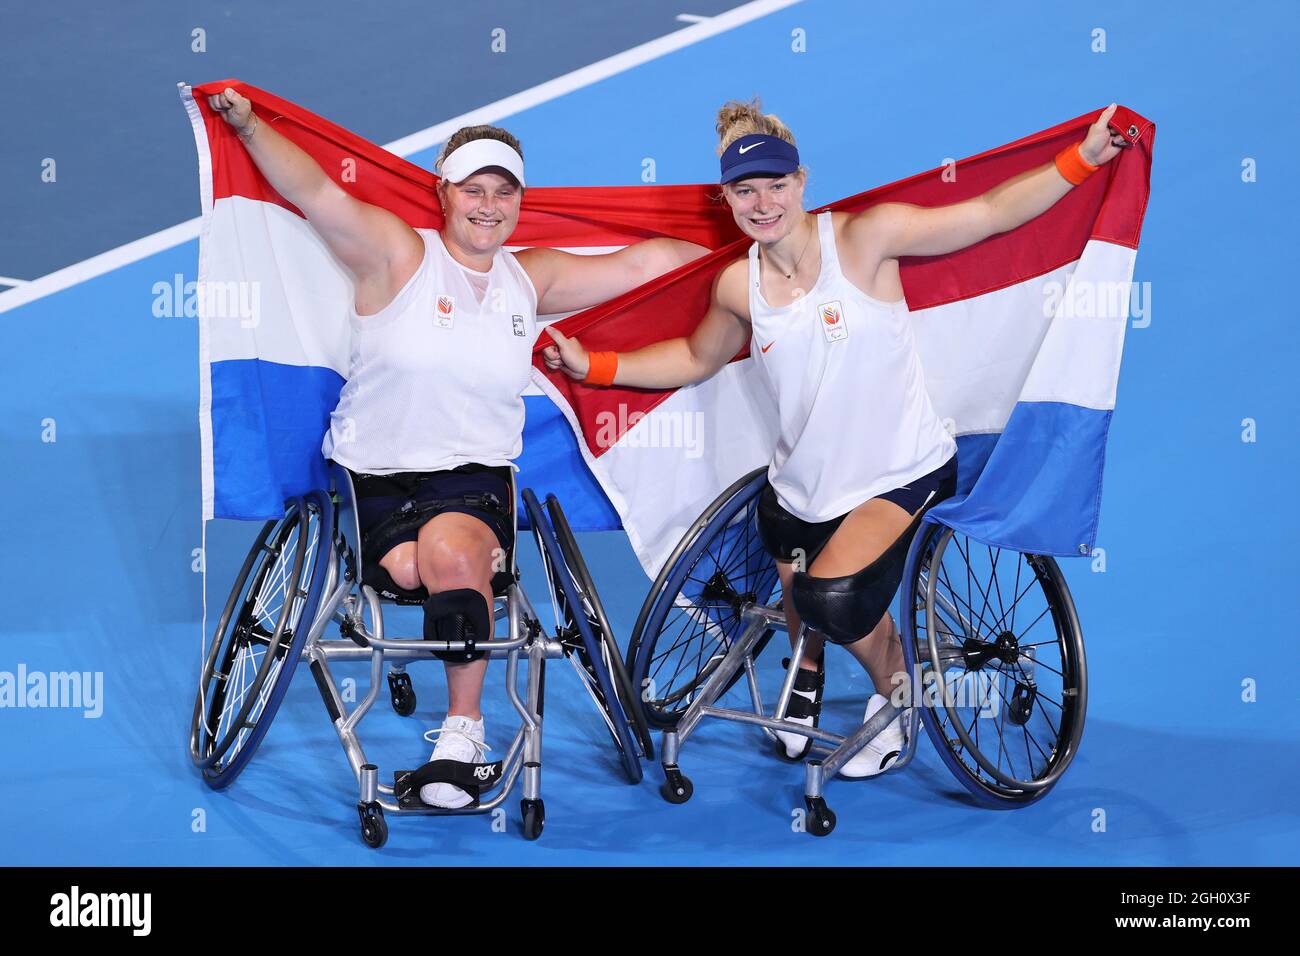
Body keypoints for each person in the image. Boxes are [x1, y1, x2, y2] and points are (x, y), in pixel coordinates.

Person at [542, 98, 1126, 776]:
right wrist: (596, 366)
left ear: (802, 180)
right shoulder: (739, 285)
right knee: (800, 581)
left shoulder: (865, 239)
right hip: (799, 487)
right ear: (726, 197)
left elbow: (990, 214)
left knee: (833, 599)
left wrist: (1082, 158)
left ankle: (897, 699)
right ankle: (806, 674)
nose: (763, 203)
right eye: (745, 190)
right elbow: (697, 359)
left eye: (776, 185)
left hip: (898, 472)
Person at [208, 87, 707, 807]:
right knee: (408, 570)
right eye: (474, 188)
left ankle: (462, 739)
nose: (489, 205)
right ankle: (457, 610)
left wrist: (752, 257)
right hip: (372, 479)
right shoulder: (398, 256)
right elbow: (314, 190)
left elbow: (644, 265)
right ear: (444, 191)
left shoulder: (529, 279)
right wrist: (251, 127)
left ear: (518, 201)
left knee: (445, 557)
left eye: (505, 192)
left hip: (472, 480)